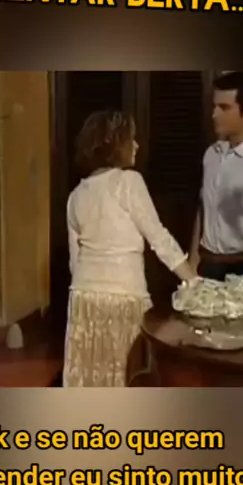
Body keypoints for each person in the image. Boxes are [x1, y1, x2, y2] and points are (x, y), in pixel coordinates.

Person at [63, 110, 197, 387]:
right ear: (115, 144)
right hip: (124, 297)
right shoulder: (128, 182)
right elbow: (158, 237)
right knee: (127, 379)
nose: (136, 146)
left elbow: (75, 262)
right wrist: (194, 281)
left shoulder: (75, 197)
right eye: (131, 139)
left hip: (84, 300)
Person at [189, 71, 243, 281]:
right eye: (214, 106)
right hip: (208, 265)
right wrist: (193, 260)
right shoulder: (211, 154)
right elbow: (204, 208)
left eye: (224, 108)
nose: (214, 114)